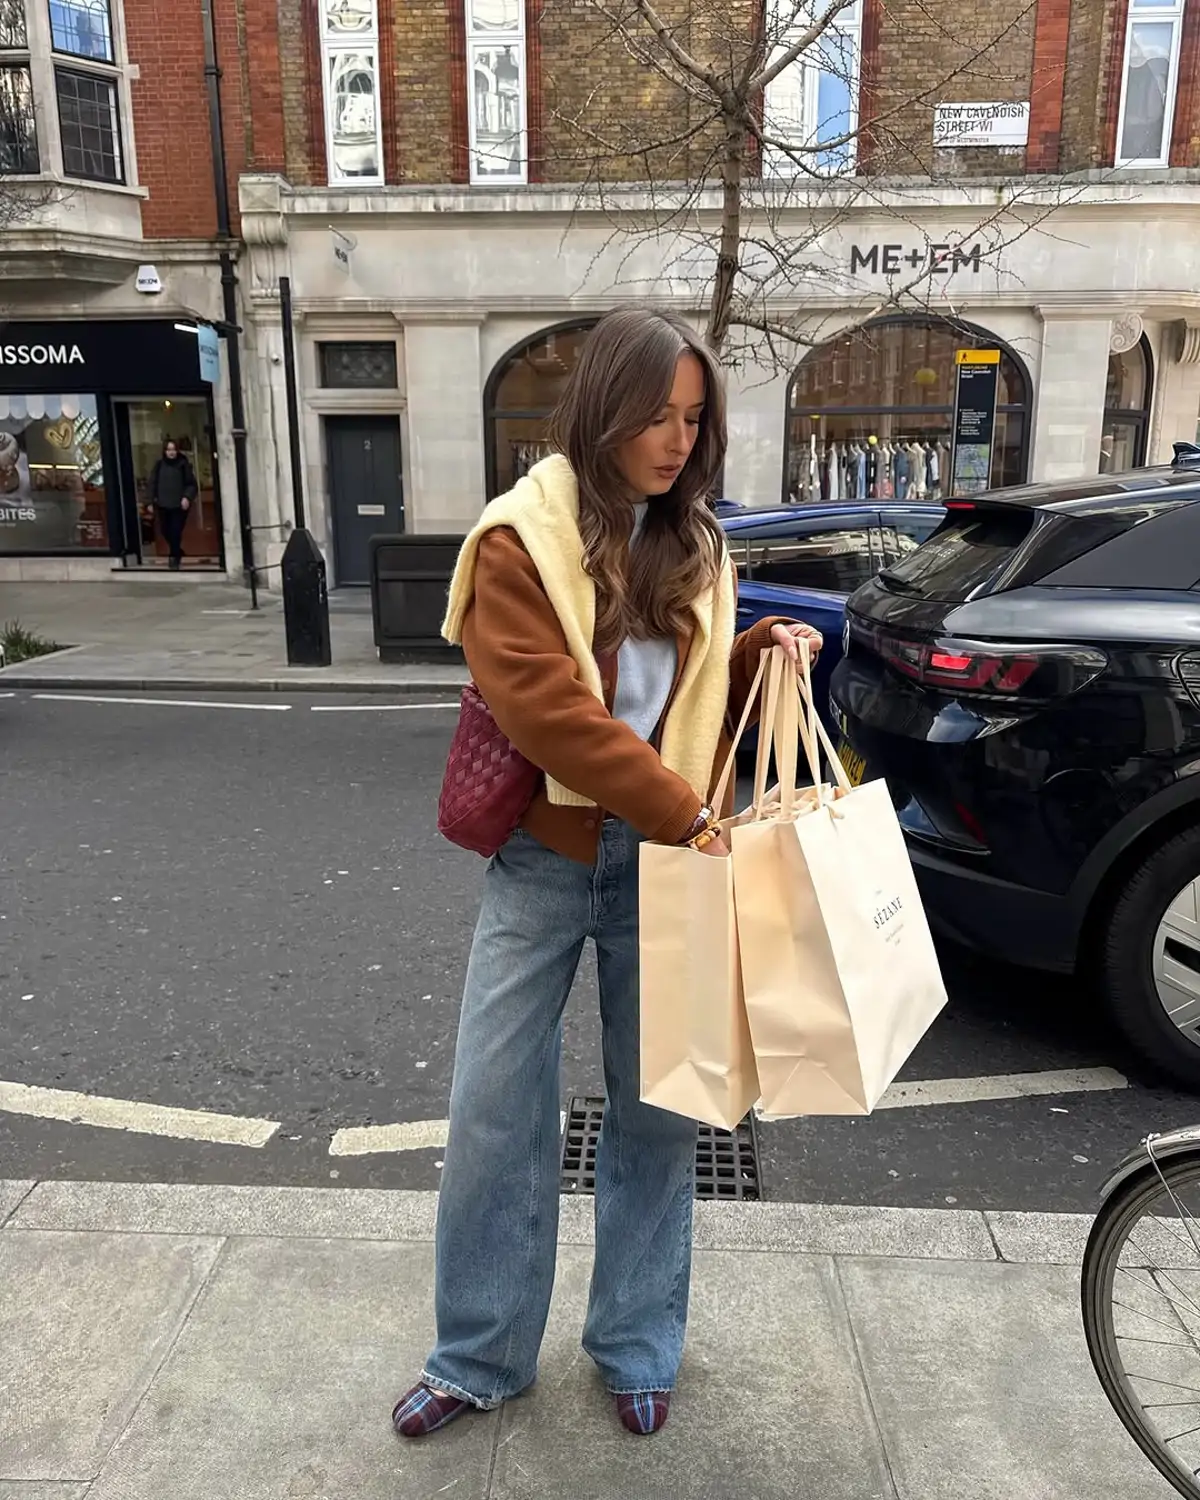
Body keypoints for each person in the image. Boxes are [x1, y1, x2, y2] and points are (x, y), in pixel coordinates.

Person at [391, 307, 822, 1441]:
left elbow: (676, 704)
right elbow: (553, 714)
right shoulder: (514, 541)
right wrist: (686, 815)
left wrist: (753, 653)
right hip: (550, 854)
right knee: (495, 1110)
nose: (678, 440)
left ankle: (636, 1343)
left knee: (659, 1114)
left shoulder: (695, 542)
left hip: (670, 862)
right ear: (603, 411)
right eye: (655, 416)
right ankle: (477, 1354)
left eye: (694, 418)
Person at [148, 440, 198, 570]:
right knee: (165, 530)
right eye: (169, 449)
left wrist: (187, 497)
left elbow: (191, 484)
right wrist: (149, 501)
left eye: (173, 449)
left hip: (178, 505)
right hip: (163, 504)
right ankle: (177, 549)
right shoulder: (159, 465)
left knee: (175, 531)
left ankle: (174, 557)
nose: (171, 452)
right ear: (165, 451)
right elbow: (152, 483)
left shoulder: (183, 464)